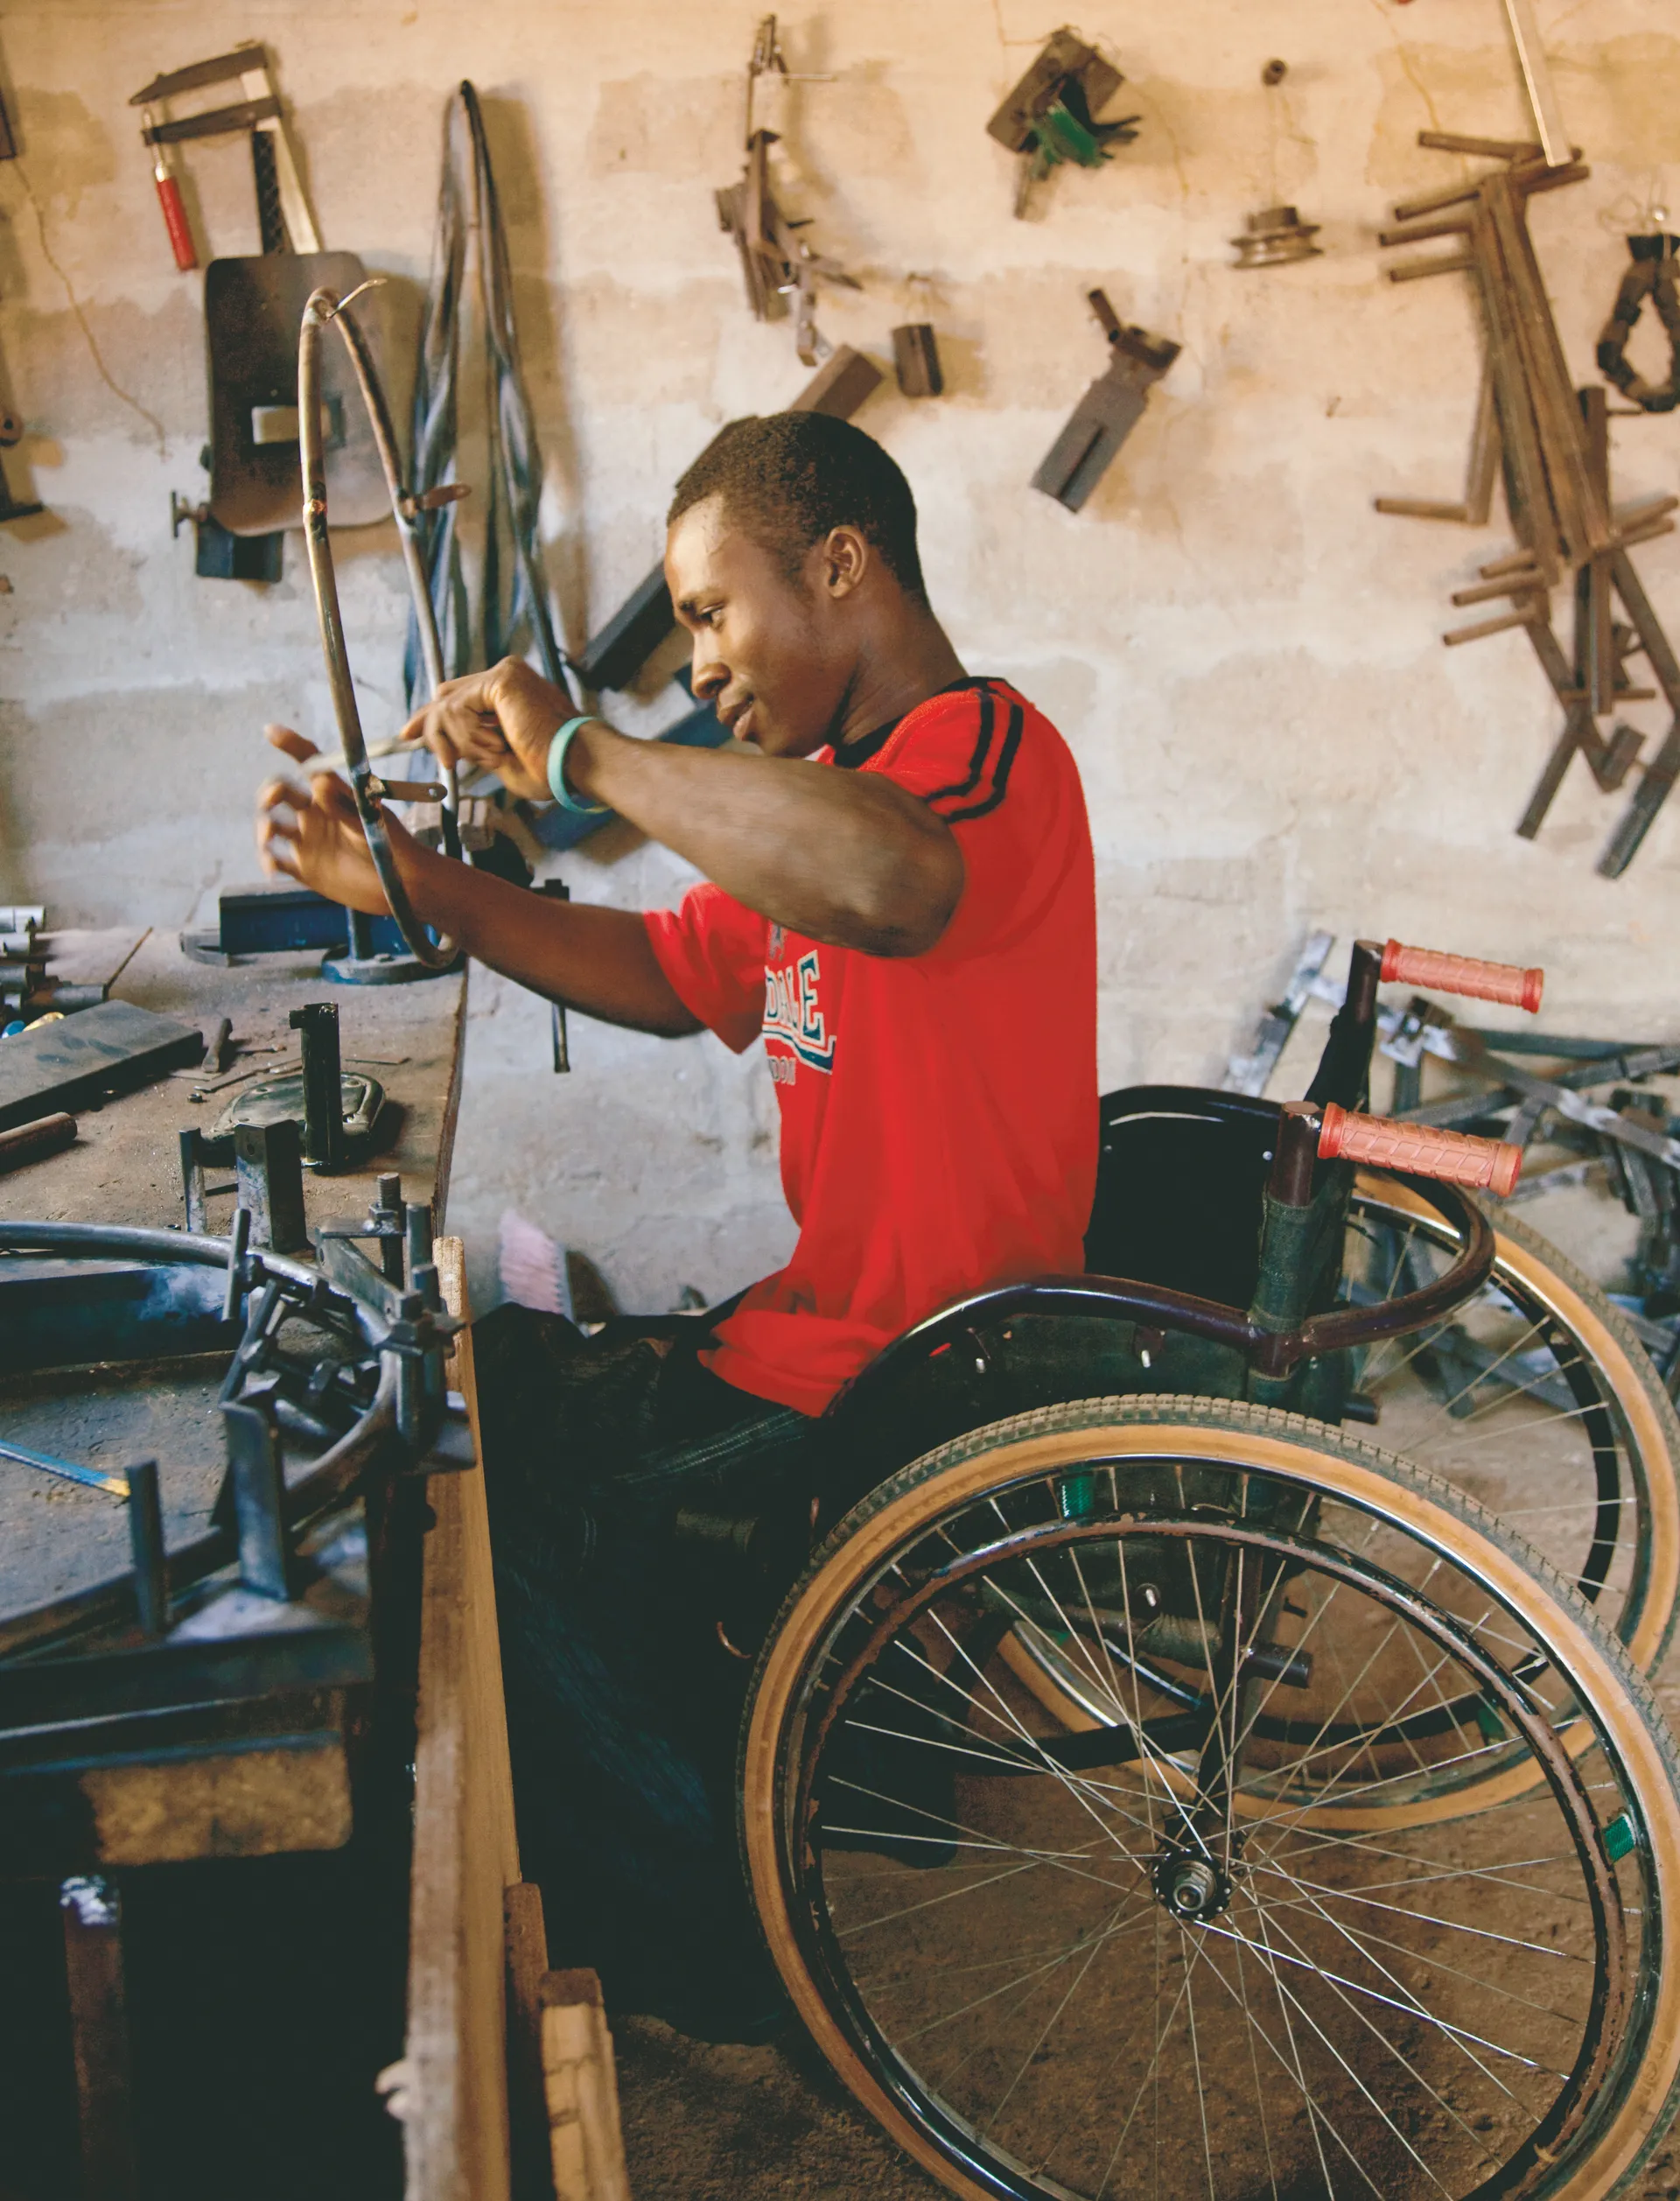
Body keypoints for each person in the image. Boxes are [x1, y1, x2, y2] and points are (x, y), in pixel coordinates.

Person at [256, 411, 1097, 2036]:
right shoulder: (810, 801)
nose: (698, 662)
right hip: (822, 1341)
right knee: (480, 1378)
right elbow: (662, 974)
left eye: (711, 614)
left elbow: (900, 888)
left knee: (464, 1495)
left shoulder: (979, 757)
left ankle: (717, 1947)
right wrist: (415, 884)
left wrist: (586, 756)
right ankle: (754, 1794)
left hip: (914, 1378)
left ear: (843, 564)